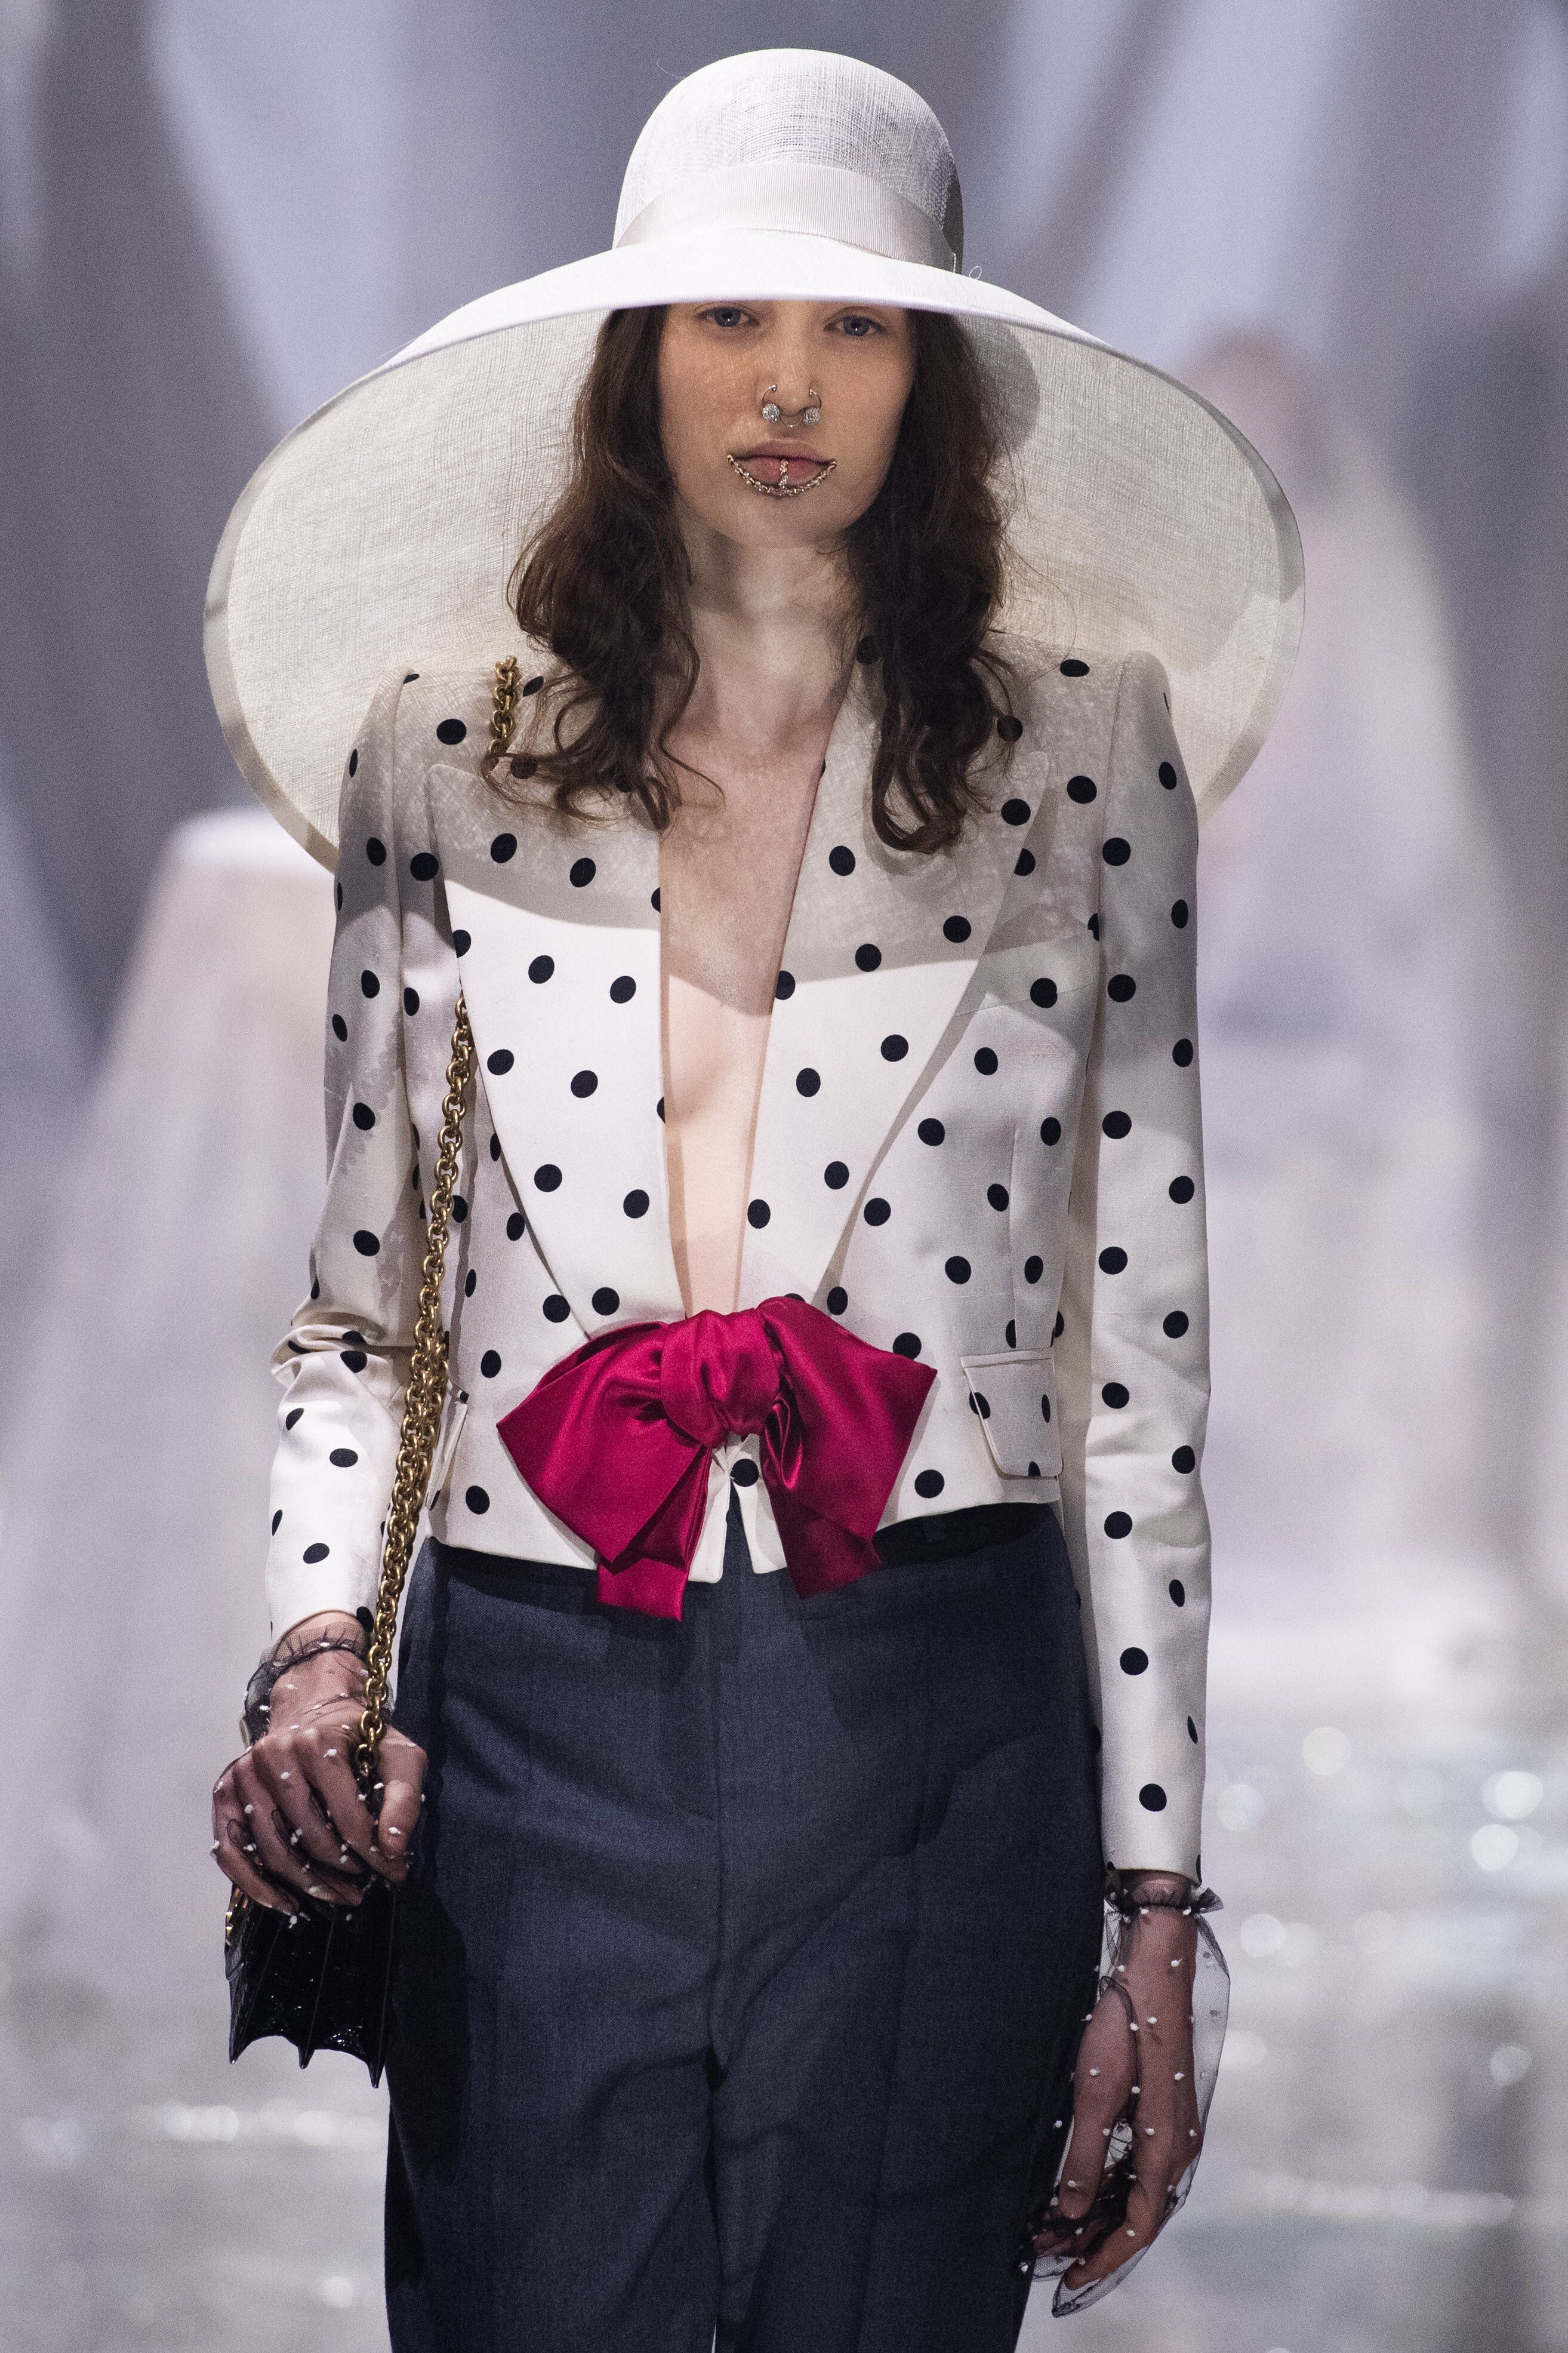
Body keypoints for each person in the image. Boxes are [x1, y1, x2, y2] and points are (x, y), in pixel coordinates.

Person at [207, 48, 1299, 2353]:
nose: (787, 385)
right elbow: (363, 1315)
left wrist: (1154, 1907)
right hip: (533, 1714)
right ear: (635, 361)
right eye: (728, 319)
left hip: (934, 1715)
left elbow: (1137, 1369)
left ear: (933, 379)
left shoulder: (1081, 750)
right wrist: (314, 1646)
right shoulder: (442, 752)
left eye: (856, 325)